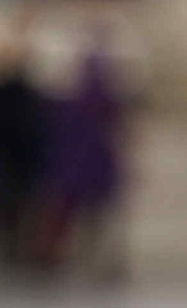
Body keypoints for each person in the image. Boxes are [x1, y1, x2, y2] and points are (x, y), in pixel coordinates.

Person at [45, 32, 127, 276]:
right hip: (92, 164)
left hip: (79, 165)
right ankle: (90, 260)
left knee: (77, 216)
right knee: (91, 217)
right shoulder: (105, 101)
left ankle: (67, 257)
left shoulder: (72, 101)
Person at [0, 29, 46, 273]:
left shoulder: (26, 94)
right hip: (17, 159)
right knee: (15, 208)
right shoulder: (26, 94)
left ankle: (14, 248)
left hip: (17, 160)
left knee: (15, 207)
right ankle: (14, 248)